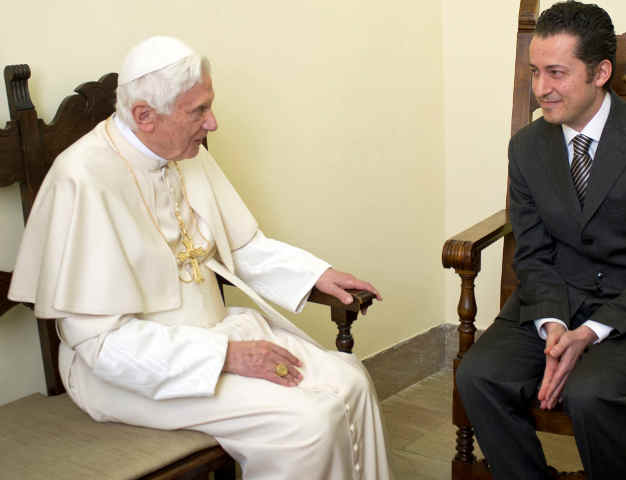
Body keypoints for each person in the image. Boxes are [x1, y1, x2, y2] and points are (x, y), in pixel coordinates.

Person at [9, 36, 392, 480]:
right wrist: (226, 356)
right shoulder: (82, 179)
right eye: (198, 111)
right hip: (124, 373)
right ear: (144, 116)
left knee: (352, 382)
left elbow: (240, 245)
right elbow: (100, 344)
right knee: (307, 424)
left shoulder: (180, 152)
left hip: (217, 335)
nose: (213, 123)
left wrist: (315, 274)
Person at [455, 2, 626, 480]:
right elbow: (533, 252)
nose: (541, 89)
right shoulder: (527, 147)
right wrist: (553, 326)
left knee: (592, 392)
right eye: (534, 73)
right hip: (557, 296)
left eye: (556, 73)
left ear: (600, 72)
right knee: (478, 375)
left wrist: (589, 332)